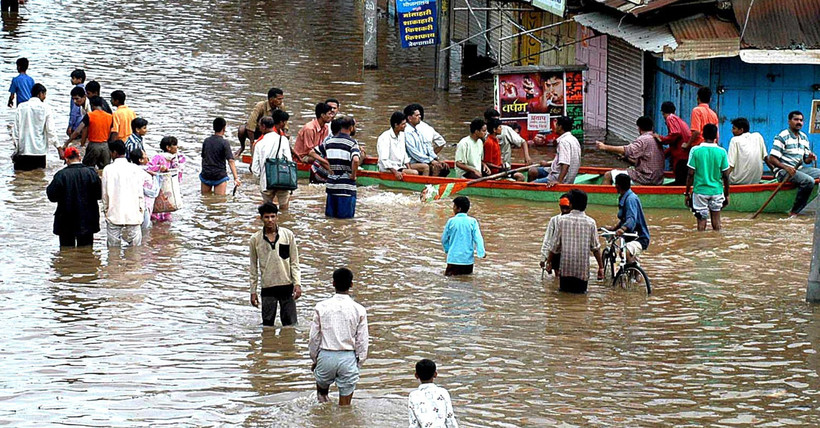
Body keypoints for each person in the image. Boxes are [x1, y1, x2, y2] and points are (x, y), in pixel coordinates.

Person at [308, 267, 369, 406]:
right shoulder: (359, 309)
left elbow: (314, 338)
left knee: (322, 397)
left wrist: (315, 359)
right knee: (345, 407)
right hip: (348, 358)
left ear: (333, 283)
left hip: (325, 356)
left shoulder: (321, 307)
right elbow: (362, 341)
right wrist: (358, 363)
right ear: (351, 284)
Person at [249, 202, 302, 326]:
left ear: (277, 217)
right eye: (266, 217)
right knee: (267, 325)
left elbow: (294, 262)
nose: (270, 220)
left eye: (273, 216)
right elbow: (253, 268)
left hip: (287, 285)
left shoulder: (288, 235)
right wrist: (253, 291)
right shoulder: (255, 239)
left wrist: (297, 284)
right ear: (261, 218)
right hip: (268, 287)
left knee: (290, 325)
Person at [547, 189, 604, 293]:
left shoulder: (562, 221)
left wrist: (548, 262)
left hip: (565, 270)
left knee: (563, 299)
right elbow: (595, 248)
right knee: (581, 298)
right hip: (582, 272)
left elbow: (554, 246)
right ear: (585, 205)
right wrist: (601, 267)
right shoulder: (591, 223)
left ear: (571, 204)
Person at [46, 147, 101, 247]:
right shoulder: (91, 173)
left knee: (66, 251)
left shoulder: (61, 175)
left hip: (66, 219)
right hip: (87, 218)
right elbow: (99, 195)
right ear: (79, 157)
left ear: (66, 159)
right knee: (86, 252)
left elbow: (52, 196)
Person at [768, 110, 820, 216]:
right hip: (783, 172)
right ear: (789, 121)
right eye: (796, 119)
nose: (799, 122)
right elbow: (772, 159)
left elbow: (805, 160)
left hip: (799, 169)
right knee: (808, 181)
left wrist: (810, 158)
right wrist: (786, 168)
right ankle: (794, 211)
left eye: (801, 120)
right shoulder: (782, 136)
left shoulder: (804, 137)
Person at [309, 115, 361, 219]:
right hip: (346, 188)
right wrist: (353, 175)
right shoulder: (352, 143)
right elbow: (355, 160)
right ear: (351, 127)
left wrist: (327, 164)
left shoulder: (329, 141)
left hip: (331, 186)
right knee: (345, 222)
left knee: (331, 220)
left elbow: (311, 152)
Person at [685, 124, 730, 231]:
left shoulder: (696, 151)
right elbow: (726, 176)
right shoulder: (722, 152)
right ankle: (717, 245)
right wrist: (727, 193)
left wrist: (687, 193)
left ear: (703, 135)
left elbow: (690, 174)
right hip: (717, 191)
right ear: (716, 136)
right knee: (717, 223)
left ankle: (700, 245)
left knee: (701, 223)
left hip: (700, 191)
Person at [597, 116, 665, 186]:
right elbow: (645, 162)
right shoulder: (657, 139)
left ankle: (605, 196)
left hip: (645, 179)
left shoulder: (643, 139)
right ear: (652, 127)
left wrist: (604, 147)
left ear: (639, 128)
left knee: (608, 175)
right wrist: (626, 158)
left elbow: (627, 150)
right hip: (658, 179)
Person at [102, 140, 144, 247]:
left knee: (113, 251)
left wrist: (106, 210)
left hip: (114, 213)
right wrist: (141, 210)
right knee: (135, 252)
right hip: (133, 214)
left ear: (114, 153)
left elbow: (105, 194)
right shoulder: (135, 168)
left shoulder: (108, 170)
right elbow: (140, 193)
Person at [251, 112, 294, 209]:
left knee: (267, 209)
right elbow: (289, 161)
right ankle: (284, 222)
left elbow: (255, 169)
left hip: (266, 181)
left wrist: (261, 178)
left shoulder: (259, 144)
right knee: (284, 209)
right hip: (282, 179)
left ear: (263, 126)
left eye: (259, 126)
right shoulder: (283, 140)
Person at [11, 83, 57, 171]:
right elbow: (50, 130)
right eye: (44, 94)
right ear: (40, 94)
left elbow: (15, 131)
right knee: (39, 180)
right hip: (39, 153)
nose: (45, 97)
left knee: (21, 181)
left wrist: (17, 148)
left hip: (23, 151)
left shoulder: (21, 107)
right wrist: (58, 147)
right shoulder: (46, 108)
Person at [606, 174, 650, 263]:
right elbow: (624, 219)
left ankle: (632, 273)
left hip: (639, 238)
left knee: (624, 253)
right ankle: (634, 274)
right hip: (630, 237)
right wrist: (614, 228)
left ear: (617, 185)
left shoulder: (630, 199)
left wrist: (622, 229)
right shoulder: (625, 197)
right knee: (624, 255)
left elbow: (631, 219)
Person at [528, 116, 581, 186]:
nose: (554, 128)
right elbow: (563, 160)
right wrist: (547, 164)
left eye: (556, 125)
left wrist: (559, 181)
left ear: (560, 127)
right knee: (532, 171)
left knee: (529, 185)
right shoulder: (574, 139)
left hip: (559, 178)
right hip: (558, 172)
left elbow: (565, 164)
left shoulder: (563, 142)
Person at [67, 96, 115, 170]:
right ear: (102, 105)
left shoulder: (90, 115)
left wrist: (66, 143)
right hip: (105, 147)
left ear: (92, 105)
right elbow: (111, 132)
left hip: (94, 146)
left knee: (86, 168)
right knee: (104, 170)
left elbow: (77, 131)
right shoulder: (110, 117)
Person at [441, 196, 486, 276]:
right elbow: (478, 238)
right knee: (466, 283)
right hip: (467, 261)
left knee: (450, 284)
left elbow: (444, 239)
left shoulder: (451, 221)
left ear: (459, 208)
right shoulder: (473, 221)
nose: (453, 208)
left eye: (454, 206)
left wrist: (448, 250)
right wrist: (481, 253)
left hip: (453, 259)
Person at [408, 359, 458, 428]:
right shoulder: (443, 392)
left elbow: (414, 424)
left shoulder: (413, 396)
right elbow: (450, 420)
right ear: (435, 374)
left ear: (416, 375)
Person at [147, 136, 187, 222]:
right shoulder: (158, 157)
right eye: (175, 145)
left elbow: (180, 168)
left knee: (168, 213)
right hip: (159, 188)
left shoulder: (177, 158)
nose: (177, 147)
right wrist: (159, 168)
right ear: (168, 147)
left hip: (169, 189)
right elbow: (148, 168)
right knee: (157, 212)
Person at [404, 104, 449, 177]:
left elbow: (427, 147)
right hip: (411, 162)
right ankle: (427, 185)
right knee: (427, 167)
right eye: (417, 115)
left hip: (421, 160)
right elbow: (414, 153)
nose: (420, 117)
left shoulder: (417, 130)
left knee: (444, 167)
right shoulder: (407, 132)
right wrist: (430, 161)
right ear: (409, 118)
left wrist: (436, 159)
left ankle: (434, 184)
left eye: (420, 115)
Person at [200, 117, 241, 195]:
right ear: (224, 128)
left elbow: (203, 158)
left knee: (205, 200)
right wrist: (236, 178)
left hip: (206, 174)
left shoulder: (206, 141)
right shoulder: (225, 143)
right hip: (219, 176)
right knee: (219, 203)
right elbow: (231, 161)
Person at [654, 101, 691, 185]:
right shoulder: (680, 121)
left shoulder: (670, 118)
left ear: (663, 112)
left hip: (680, 158)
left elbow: (675, 133)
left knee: (679, 183)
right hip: (684, 156)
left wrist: (661, 139)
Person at [237, 87, 285, 153]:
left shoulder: (281, 106)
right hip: (259, 130)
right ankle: (242, 147)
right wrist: (252, 143)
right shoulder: (260, 106)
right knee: (241, 129)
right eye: (279, 99)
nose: (281, 101)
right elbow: (251, 123)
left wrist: (284, 134)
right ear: (271, 99)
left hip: (272, 131)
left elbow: (284, 122)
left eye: (282, 99)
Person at [293, 102, 332, 182]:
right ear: (322, 115)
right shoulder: (309, 128)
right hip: (303, 157)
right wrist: (325, 161)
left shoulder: (325, 128)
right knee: (322, 161)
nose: (331, 116)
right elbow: (309, 151)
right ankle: (333, 174)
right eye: (329, 114)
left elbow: (323, 147)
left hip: (315, 154)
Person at [377, 111, 419, 180]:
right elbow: (384, 159)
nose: (405, 126)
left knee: (422, 168)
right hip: (388, 169)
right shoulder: (385, 137)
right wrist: (395, 172)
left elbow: (404, 154)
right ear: (396, 125)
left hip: (400, 166)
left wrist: (409, 168)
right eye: (403, 124)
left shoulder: (401, 135)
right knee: (415, 173)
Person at [727, 117, 767, 185]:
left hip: (737, 181)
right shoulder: (758, 136)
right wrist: (775, 171)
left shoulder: (734, 140)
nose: (732, 131)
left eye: (734, 128)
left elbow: (731, 165)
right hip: (756, 180)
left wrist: (720, 179)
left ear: (741, 130)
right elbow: (766, 158)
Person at [539, 194, 572, 276]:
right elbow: (548, 238)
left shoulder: (576, 220)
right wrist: (543, 258)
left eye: (566, 207)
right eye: (562, 207)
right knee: (558, 276)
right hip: (556, 253)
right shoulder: (554, 220)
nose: (564, 210)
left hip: (570, 253)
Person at [128, 148, 160, 229]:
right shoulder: (145, 174)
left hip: (132, 204)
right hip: (144, 205)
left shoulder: (130, 171)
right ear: (141, 160)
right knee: (144, 229)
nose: (148, 158)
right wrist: (156, 177)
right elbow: (153, 192)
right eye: (145, 156)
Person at [66, 69, 88, 139]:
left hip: (77, 124)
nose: (71, 80)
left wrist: (70, 125)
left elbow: (74, 111)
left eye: (73, 78)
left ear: (79, 79)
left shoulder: (76, 92)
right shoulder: (86, 90)